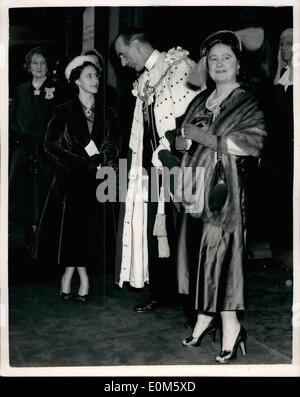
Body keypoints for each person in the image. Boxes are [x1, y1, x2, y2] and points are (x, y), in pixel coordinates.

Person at [173, 30, 266, 363]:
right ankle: (204, 317)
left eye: (227, 57)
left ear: (238, 64)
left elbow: (252, 144)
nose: (219, 63)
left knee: (222, 256)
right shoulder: (200, 99)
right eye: (213, 59)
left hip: (225, 191)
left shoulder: (247, 101)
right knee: (199, 254)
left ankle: (230, 324)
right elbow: (184, 133)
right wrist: (181, 143)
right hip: (193, 190)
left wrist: (205, 137)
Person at [114, 27, 200, 312]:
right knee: (155, 229)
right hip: (150, 168)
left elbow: (191, 116)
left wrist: (170, 155)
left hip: (178, 165)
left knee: (183, 233)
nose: (123, 62)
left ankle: (193, 301)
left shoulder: (182, 65)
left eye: (124, 55)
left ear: (137, 45)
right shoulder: (144, 79)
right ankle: (161, 292)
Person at [32, 55, 121, 302]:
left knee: (89, 232)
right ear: (77, 81)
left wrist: (105, 158)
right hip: (71, 180)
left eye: (97, 76)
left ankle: (70, 274)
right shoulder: (62, 111)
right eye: (89, 76)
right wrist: (81, 162)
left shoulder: (109, 112)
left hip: (100, 181)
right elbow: (50, 145)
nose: (95, 80)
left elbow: (115, 142)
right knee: (73, 231)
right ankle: (82, 278)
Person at [9, 47, 62, 250]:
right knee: (18, 187)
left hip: (45, 149)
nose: (38, 67)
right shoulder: (20, 89)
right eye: (35, 63)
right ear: (28, 66)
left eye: (42, 63)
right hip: (24, 147)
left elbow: (58, 120)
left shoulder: (57, 89)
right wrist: (23, 136)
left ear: (48, 66)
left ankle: (43, 240)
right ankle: (26, 238)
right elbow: (12, 120)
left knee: (43, 194)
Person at [269, 28, 293, 263]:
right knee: (278, 199)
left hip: (293, 151)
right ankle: (281, 253)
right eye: (281, 43)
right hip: (279, 152)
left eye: (289, 43)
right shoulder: (282, 77)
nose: (284, 47)